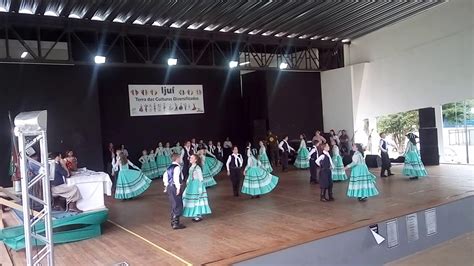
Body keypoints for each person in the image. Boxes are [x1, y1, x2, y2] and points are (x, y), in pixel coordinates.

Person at [182, 154, 212, 222]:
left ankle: (198, 215)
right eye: (190, 157)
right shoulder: (191, 167)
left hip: (196, 185)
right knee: (190, 198)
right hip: (191, 185)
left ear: (195, 160)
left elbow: (201, 179)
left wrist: (200, 188)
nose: (190, 158)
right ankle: (195, 214)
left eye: (192, 158)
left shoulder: (197, 168)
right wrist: (188, 181)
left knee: (197, 200)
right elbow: (190, 175)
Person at [163, 153, 186, 229]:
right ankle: (175, 223)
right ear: (177, 158)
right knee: (177, 203)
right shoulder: (177, 167)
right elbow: (176, 178)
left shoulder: (169, 167)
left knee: (174, 203)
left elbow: (165, 177)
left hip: (170, 186)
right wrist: (178, 188)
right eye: (180, 158)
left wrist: (166, 186)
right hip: (174, 187)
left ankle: (173, 221)